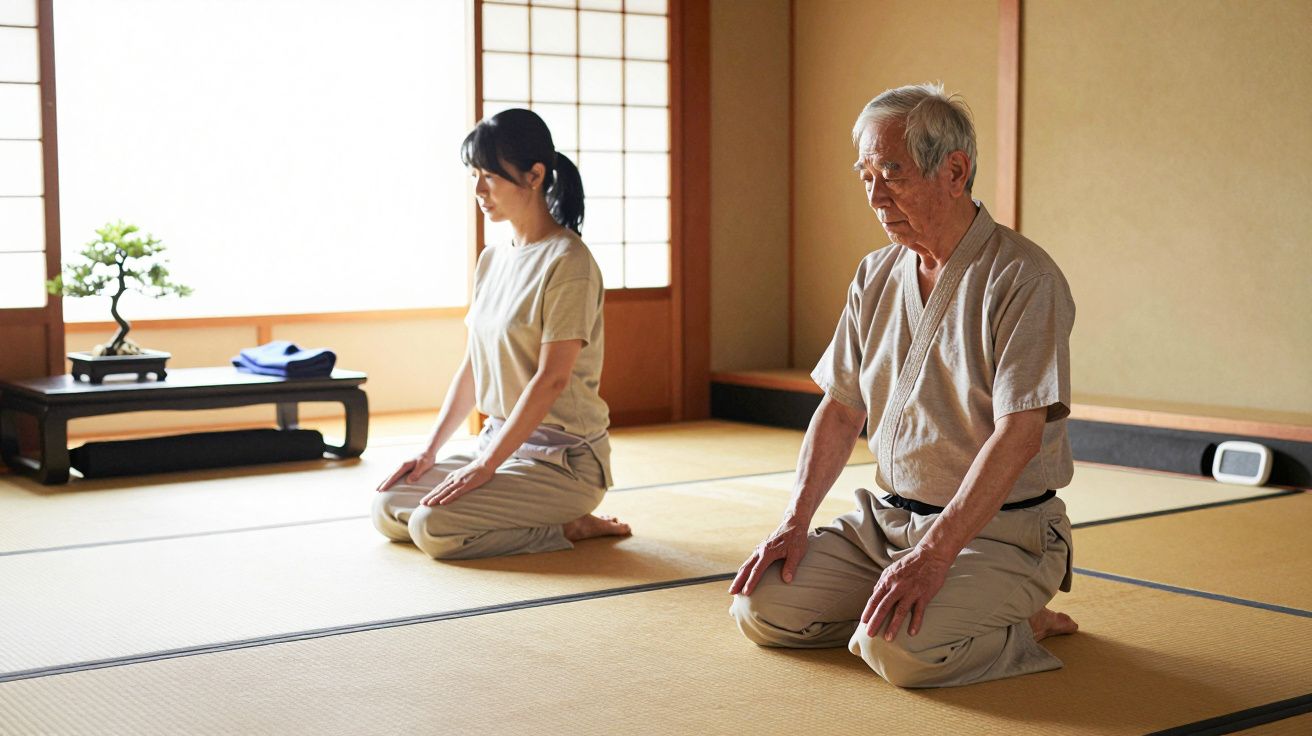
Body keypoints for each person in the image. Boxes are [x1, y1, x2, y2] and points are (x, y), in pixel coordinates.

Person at [728, 83, 1079, 688]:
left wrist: (936, 556)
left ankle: (1021, 618)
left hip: (999, 535)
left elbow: (1020, 436)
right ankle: (901, 610)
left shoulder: (1023, 277)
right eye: (864, 172)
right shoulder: (875, 273)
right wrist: (793, 521)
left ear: (955, 170)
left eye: (892, 171)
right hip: (885, 525)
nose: (874, 193)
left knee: (901, 654)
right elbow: (840, 412)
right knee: (761, 607)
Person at [372, 108, 630, 560]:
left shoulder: (569, 262)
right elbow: (474, 365)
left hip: (562, 464)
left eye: (489, 176)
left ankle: (568, 522)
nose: (478, 191)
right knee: (390, 507)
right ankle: (522, 508)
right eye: (474, 175)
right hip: (500, 446)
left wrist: (486, 467)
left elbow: (551, 380)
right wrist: (430, 453)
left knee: (433, 529)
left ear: (534, 176)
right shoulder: (493, 258)